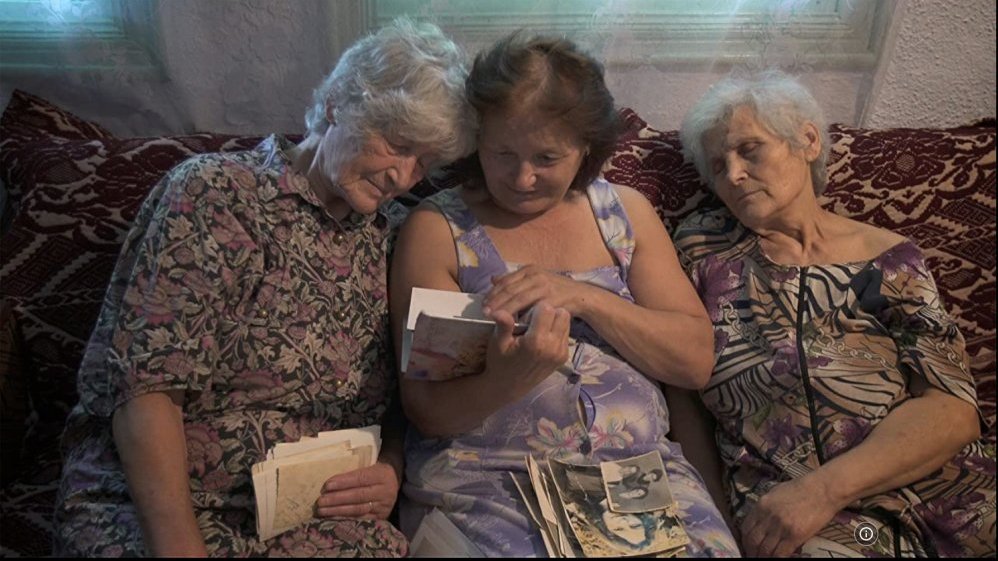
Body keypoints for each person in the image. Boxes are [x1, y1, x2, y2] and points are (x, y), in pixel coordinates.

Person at [52, 18, 475, 557]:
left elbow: (404, 397)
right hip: (161, 506)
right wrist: (180, 547)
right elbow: (146, 390)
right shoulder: (216, 195)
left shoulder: (392, 237)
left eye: (425, 164)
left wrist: (390, 467)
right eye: (396, 144)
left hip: (313, 515)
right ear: (336, 105)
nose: (403, 176)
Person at [390, 32, 740, 557]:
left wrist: (584, 297)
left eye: (547, 157)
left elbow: (694, 362)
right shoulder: (439, 229)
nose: (522, 177)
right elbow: (427, 411)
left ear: (585, 150)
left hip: (635, 480)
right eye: (502, 153)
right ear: (476, 140)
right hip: (490, 480)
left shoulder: (625, 215)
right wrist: (509, 378)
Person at [671, 70, 996, 557]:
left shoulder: (890, 257)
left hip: (946, 493)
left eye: (749, 150)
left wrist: (824, 489)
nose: (733, 174)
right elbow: (681, 390)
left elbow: (952, 407)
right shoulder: (702, 251)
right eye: (718, 166)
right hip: (815, 520)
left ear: (806, 140)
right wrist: (710, 514)